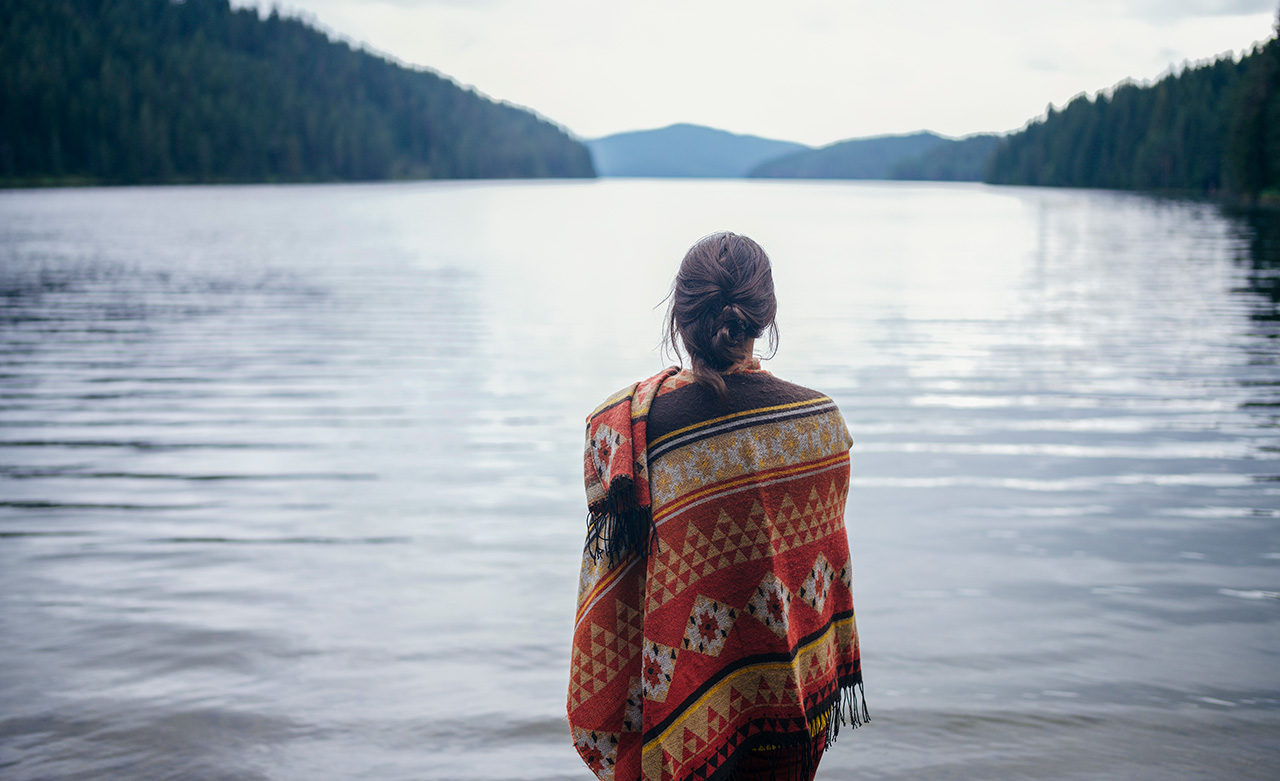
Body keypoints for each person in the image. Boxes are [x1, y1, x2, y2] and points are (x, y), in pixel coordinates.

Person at [568, 231, 867, 781]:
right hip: (791, 714)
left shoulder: (627, 438)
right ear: (766, 319)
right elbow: (818, 580)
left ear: (680, 319)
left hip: (679, 727)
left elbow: (614, 590)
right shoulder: (822, 426)